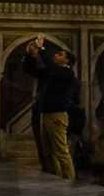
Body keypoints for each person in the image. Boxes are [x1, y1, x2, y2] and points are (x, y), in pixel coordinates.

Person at [22, 39, 78, 180]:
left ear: (67, 61)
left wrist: (41, 49)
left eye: (60, 54)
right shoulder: (51, 72)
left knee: (61, 151)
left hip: (57, 115)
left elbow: (51, 67)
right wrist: (30, 55)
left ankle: (70, 180)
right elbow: (31, 70)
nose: (56, 55)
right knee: (48, 152)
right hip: (46, 114)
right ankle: (56, 180)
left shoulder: (67, 73)